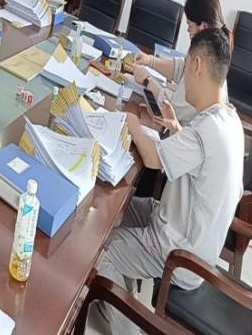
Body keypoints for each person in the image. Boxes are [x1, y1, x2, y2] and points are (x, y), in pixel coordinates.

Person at [93, 28, 243, 335]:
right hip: (182, 228)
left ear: (197, 65)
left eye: (186, 65)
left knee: (98, 254)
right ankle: (120, 288)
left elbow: (152, 158)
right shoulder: (228, 120)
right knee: (116, 207)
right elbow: (202, 161)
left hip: (179, 253)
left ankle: (128, 323)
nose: (183, 75)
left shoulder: (206, 131)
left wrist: (131, 123)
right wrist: (176, 129)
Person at [133, 0, 230, 125]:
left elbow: (174, 109)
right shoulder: (209, 50)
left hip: (183, 131)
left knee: (132, 117)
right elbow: (182, 68)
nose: (188, 30)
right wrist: (150, 60)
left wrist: (147, 80)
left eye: (190, 24)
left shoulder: (205, 63)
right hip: (179, 128)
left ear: (203, 26)